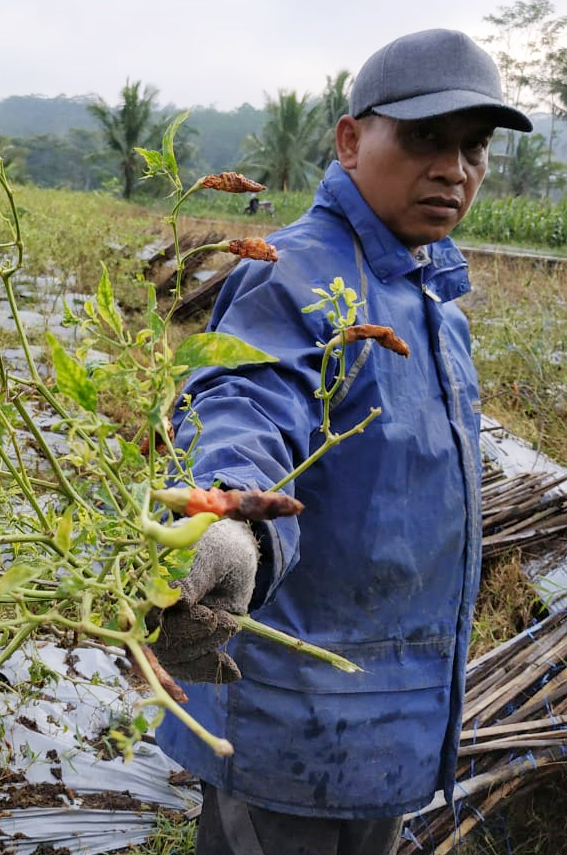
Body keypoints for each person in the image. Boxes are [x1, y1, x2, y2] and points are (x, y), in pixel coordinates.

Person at [149, 28, 533, 855]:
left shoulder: (434, 302)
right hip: (287, 726)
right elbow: (245, 400)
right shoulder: (295, 273)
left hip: (391, 728)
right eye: (426, 137)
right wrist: (230, 522)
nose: (453, 168)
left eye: (475, 146)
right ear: (352, 140)